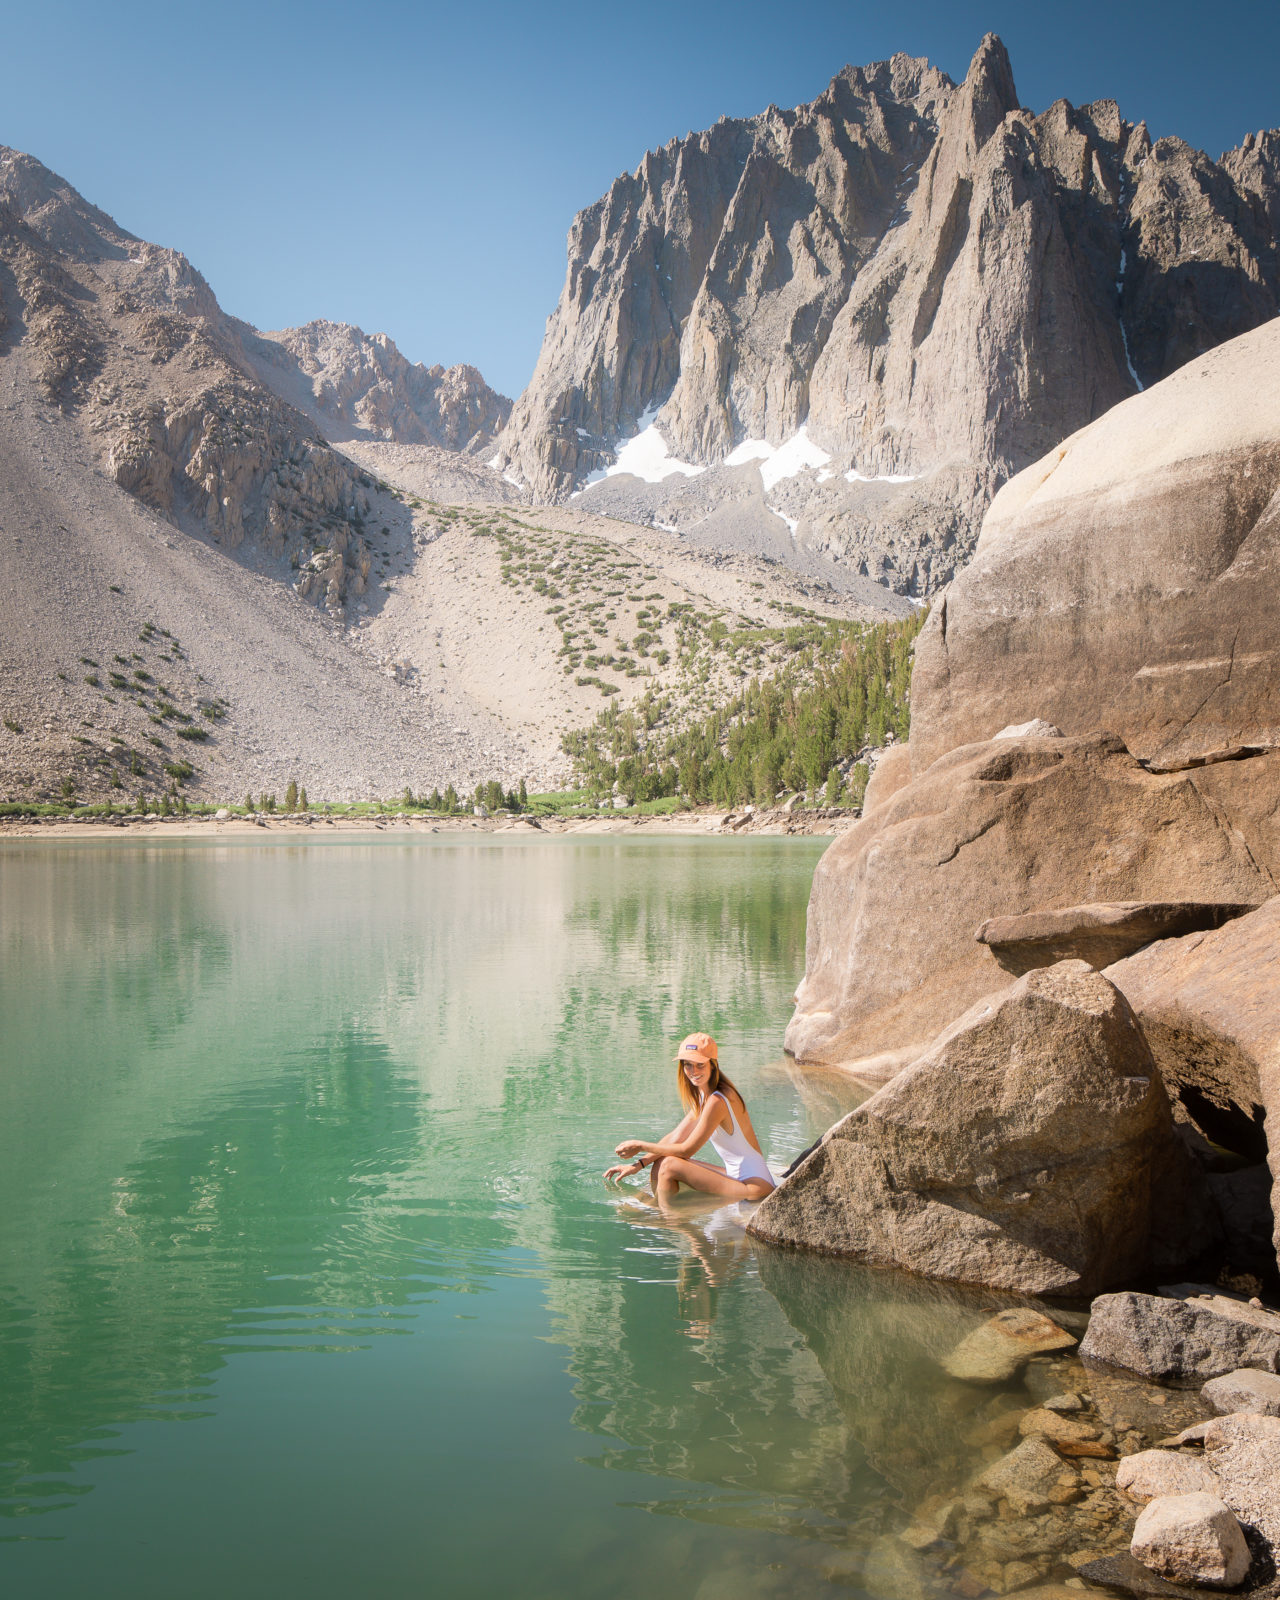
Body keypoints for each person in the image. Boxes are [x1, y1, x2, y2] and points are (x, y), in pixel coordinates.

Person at [604, 1033, 776, 1201]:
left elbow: (687, 1150)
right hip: (735, 1176)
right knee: (662, 1160)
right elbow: (675, 1137)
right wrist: (637, 1165)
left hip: (754, 1186)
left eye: (700, 1065)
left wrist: (640, 1145)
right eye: (688, 1065)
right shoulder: (705, 1096)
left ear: (713, 1065)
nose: (693, 1071)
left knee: (669, 1165)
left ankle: (669, 1220)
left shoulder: (719, 1100)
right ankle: (665, 1210)